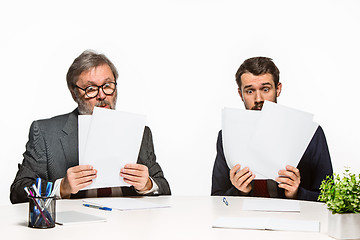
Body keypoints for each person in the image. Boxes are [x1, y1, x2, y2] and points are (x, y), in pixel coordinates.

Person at [10, 50, 171, 204]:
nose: (102, 95)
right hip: (72, 229)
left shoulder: (140, 132)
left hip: (126, 225)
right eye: (91, 89)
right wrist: (61, 187)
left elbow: (164, 187)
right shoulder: (45, 132)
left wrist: (148, 185)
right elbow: (18, 191)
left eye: (108, 85)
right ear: (74, 94)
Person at [211, 57, 333, 201]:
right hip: (245, 220)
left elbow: (329, 198)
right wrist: (240, 191)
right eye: (250, 91)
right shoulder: (227, 136)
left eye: (265, 89)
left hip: (295, 220)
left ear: (278, 89)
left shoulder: (310, 133)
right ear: (240, 94)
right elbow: (217, 200)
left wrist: (296, 193)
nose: (258, 99)